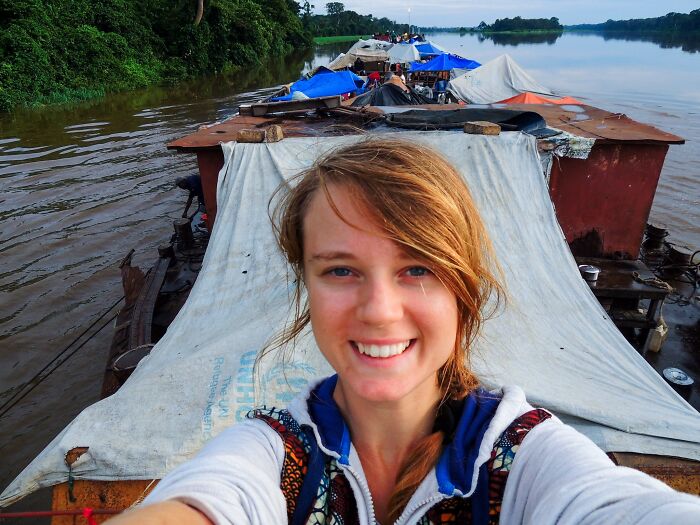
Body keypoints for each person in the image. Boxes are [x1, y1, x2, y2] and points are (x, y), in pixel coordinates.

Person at [106, 139, 700, 525]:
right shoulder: (271, 455)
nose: (380, 310)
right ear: (306, 288)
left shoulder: (525, 457)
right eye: (341, 270)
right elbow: (208, 501)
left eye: (417, 268)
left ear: (462, 293)